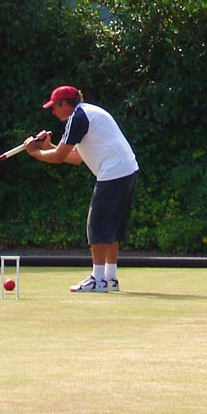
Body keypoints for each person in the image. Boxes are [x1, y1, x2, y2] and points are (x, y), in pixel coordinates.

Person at [24, 85, 139, 293]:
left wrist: (35, 153)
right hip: (129, 169)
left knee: (96, 225)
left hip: (114, 171)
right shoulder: (88, 113)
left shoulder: (77, 117)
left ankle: (97, 279)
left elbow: (59, 157)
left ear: (65, 104)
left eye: (55, 107)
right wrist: (47, 147)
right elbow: (76, 158)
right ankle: (110, 278)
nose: (53, 112)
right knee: (112, 226)